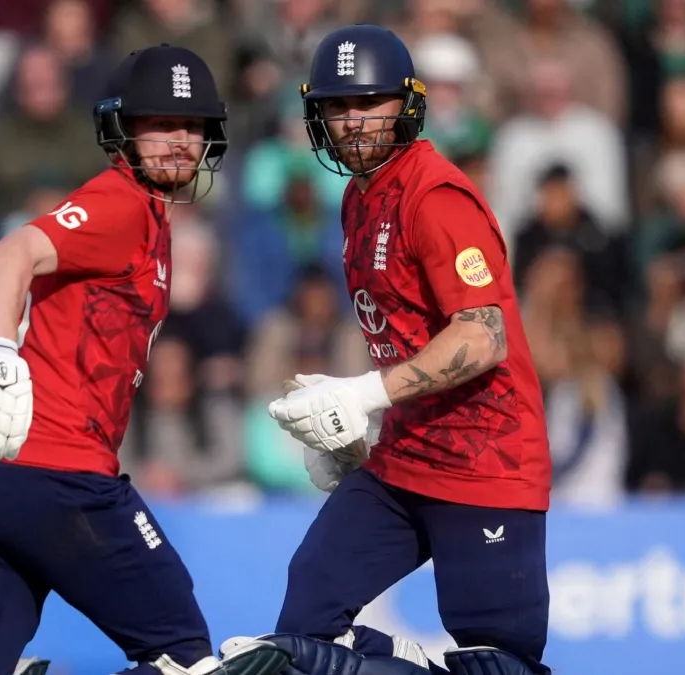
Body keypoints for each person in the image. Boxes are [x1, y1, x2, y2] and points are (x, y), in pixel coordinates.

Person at [0, 44, 287, 675]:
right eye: (161, 123)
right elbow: (6, 255)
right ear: (121, 128)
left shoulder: (153, 222)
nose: (182, 140)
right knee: (183, 659)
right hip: (57, 473)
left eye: (193, 125)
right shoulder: (119, 203)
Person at [247, 24, 553, 675]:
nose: (353, 122)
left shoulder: (438, 198)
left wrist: (363, 393)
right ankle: (401, 660)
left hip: (484, 459)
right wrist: (364, 426)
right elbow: (409, 335)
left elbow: (483, 335)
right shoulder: (358, 200)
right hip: (405, 455)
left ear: (407, 106)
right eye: (338, 106)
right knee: (302, 630)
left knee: (497, 664)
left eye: (369, 104)